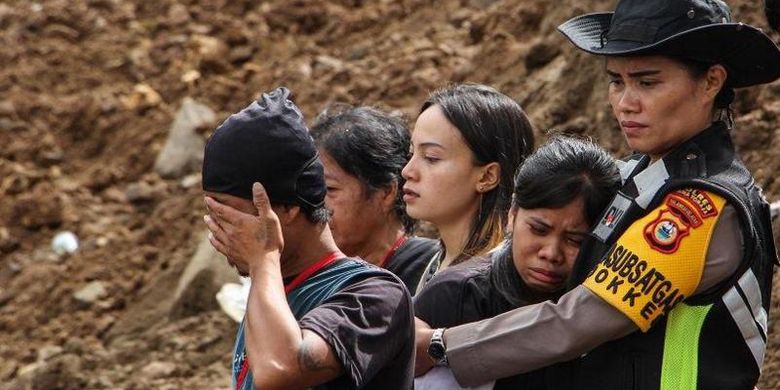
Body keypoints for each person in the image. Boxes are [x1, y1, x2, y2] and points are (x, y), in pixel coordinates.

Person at [417, 1, 780, 389]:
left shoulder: (700, 206)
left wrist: (442, 345)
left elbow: (583, 318)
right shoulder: (639, 176)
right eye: (617, 81)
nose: (625, 103)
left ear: (711, 82)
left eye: (647, 82)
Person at [201, 87, 414, 390]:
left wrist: (263, 259)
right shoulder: (274, 288)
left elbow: (282, 368)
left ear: (287, 208)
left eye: (229, 214)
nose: (218, 229)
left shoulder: (376, 295)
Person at [413, 136, 621, 389]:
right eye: (539, 229)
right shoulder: (457, 295)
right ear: (512, 214)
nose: (551, 253)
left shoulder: (607, 312)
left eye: (575, 241)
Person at [402, 83, 535, 293]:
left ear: (487, 176)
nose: (407, 171)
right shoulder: (438, 262)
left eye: (431, 158)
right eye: (411, 155)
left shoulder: (498, 281)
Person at [310, 105, 439, 291]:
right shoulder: (319, 277)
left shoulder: (431, 269)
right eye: (311, 188)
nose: (315, 204)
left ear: (386, 192)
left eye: (330, 189)